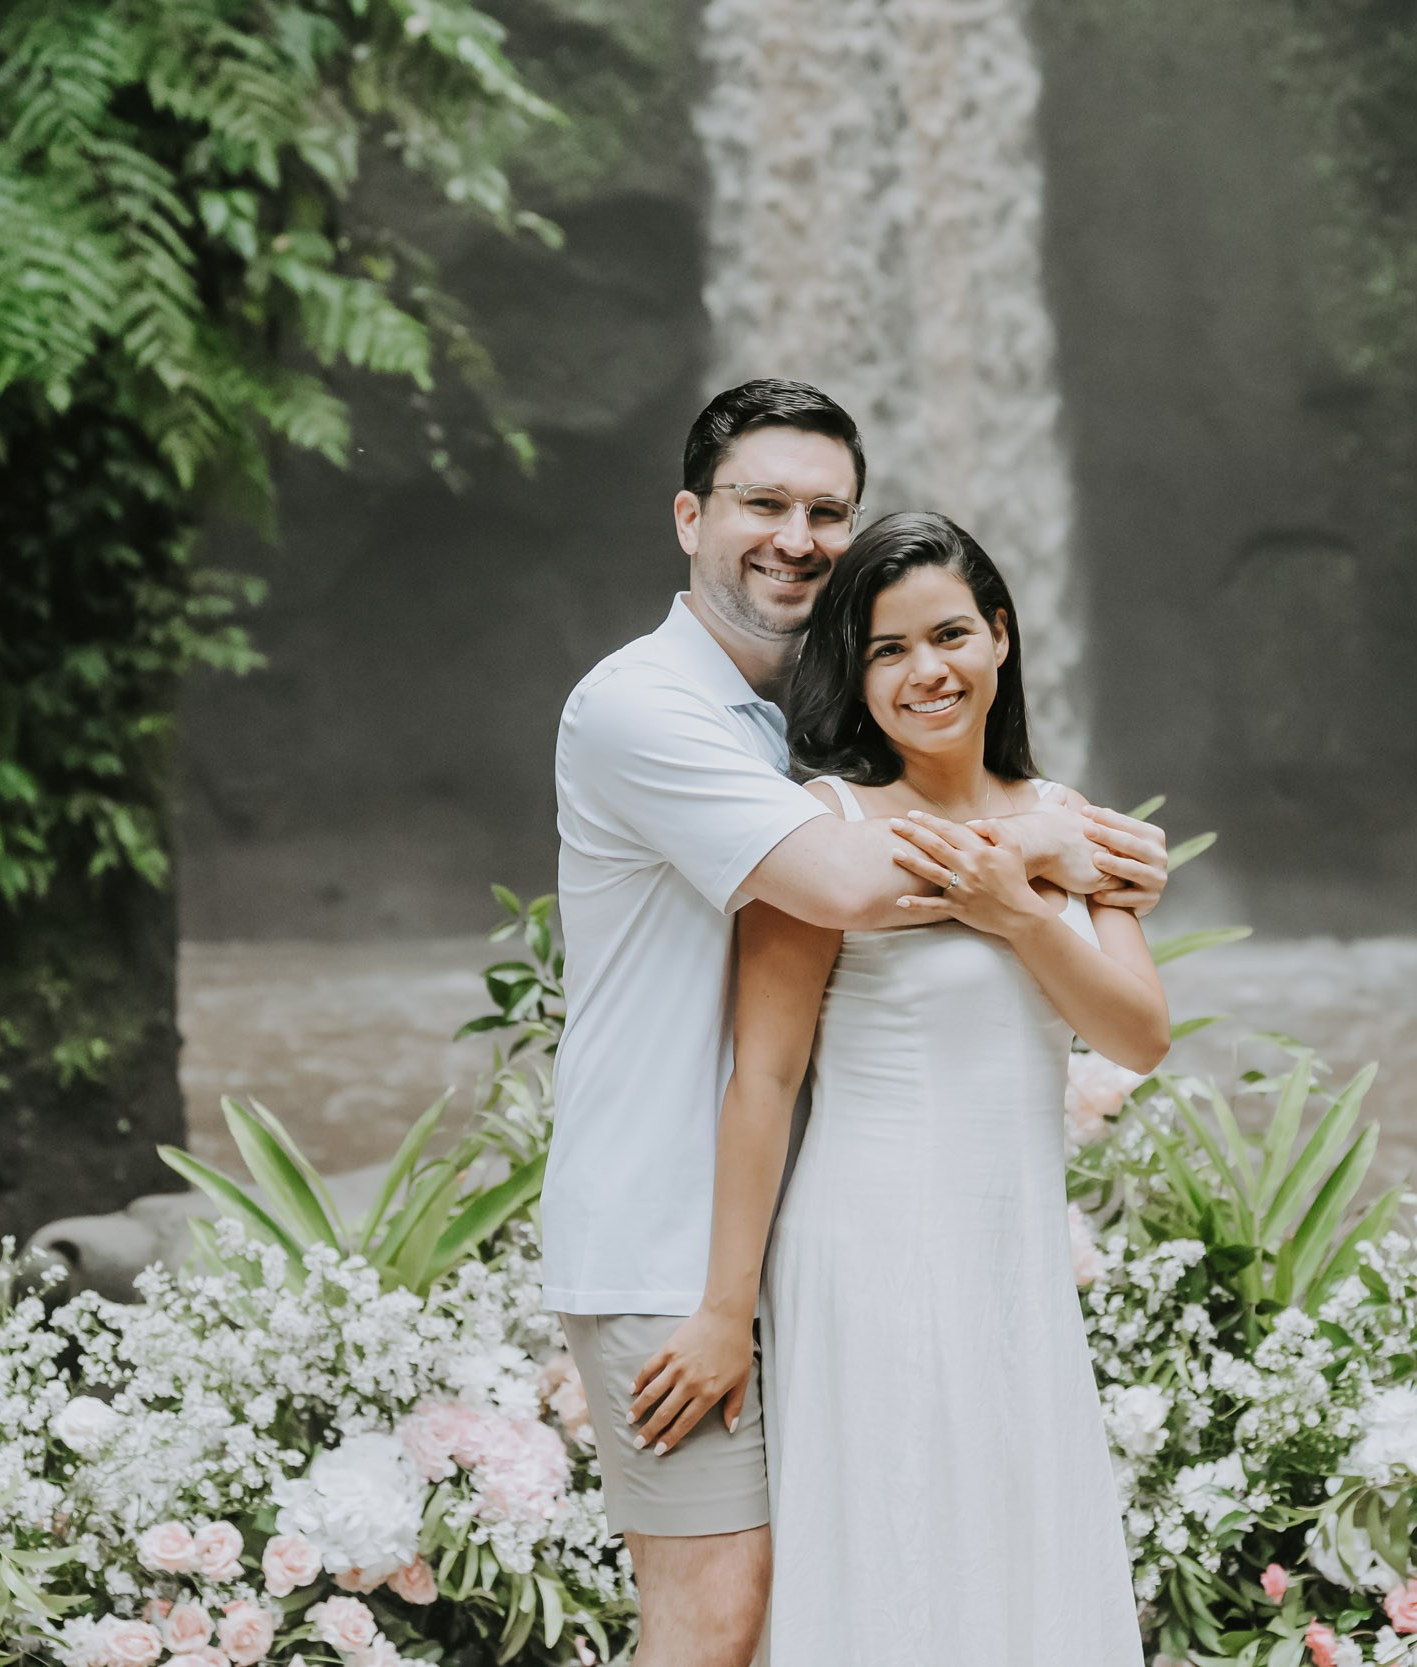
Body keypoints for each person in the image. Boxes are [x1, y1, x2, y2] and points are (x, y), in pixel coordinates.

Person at [544, 380, 1169, 1667]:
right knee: (721, 1612)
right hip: (672, 1239)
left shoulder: (786, 722)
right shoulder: (646, 708)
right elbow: (831, 888)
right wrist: (1041, 847)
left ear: (998, 635)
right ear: (689, 517)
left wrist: (1041, 867)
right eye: (761, 503)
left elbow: (1135, 1025)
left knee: (883, 1580)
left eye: (826, 511)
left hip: (863, 1244)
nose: (796, 536)